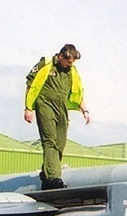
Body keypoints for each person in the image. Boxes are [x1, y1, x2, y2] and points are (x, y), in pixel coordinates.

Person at [24, 44, 90, 190]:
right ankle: (54, 178)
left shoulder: (72, 71)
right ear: (61, 56)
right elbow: (30, 84)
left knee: (60, 143)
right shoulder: (45, 63)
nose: (70, 65)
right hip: (45, 104)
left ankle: (46, 174)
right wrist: (28, 107)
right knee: (50, 141)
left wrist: (85, 110)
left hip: (62, 107)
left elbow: (78, 92)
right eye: (68, 62)